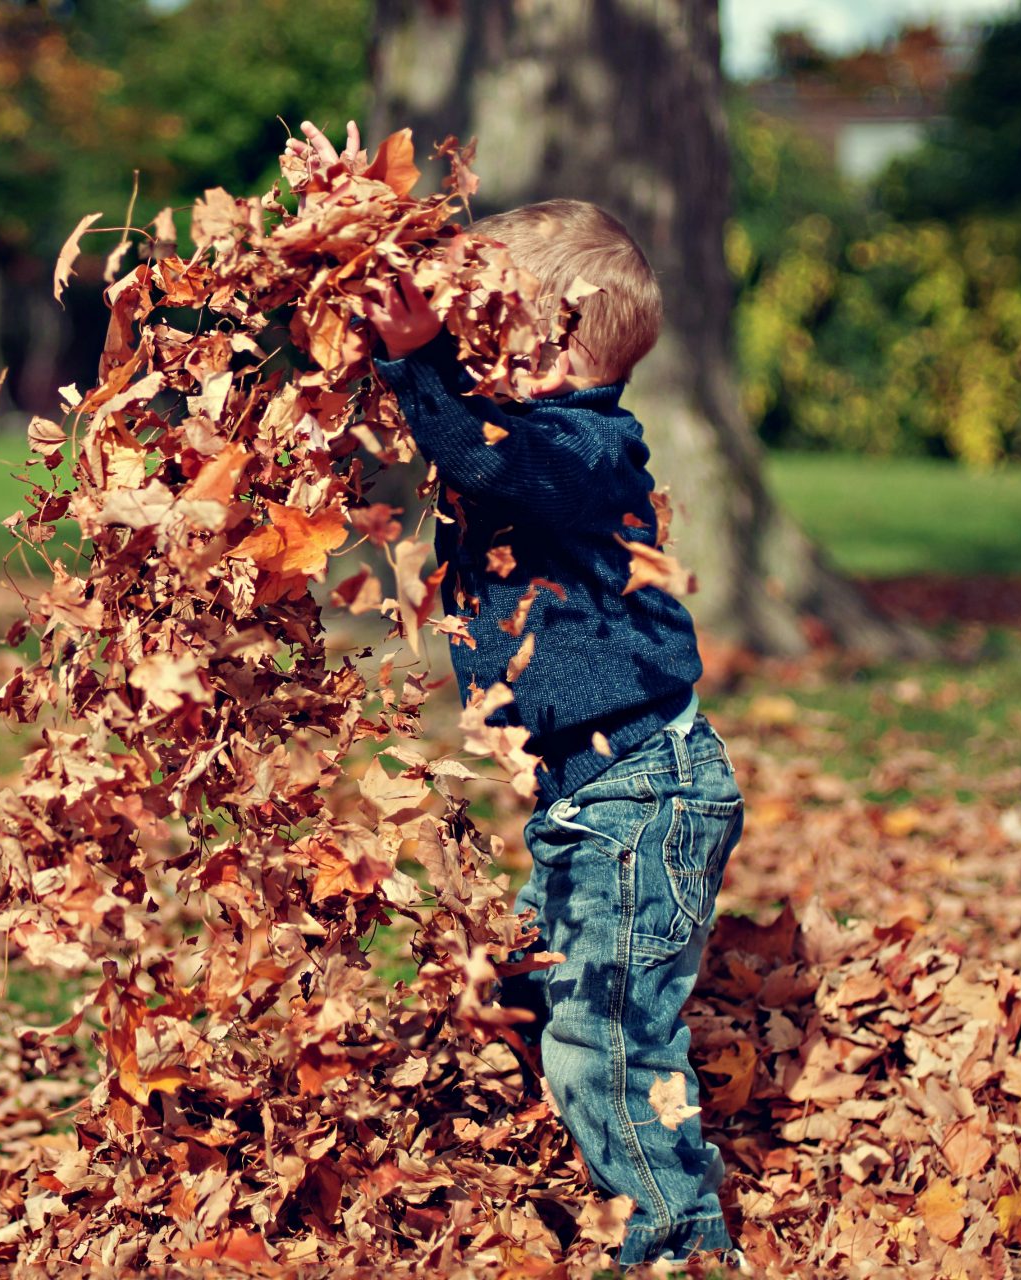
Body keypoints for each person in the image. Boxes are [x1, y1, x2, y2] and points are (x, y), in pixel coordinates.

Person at [298, 120, 747, 1265]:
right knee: (542, 991)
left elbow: (484, 454)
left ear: (544, 348)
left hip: (644, 792)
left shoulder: (583, 448)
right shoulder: (532, 437)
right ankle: (575, 1166)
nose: (461, 341)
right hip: (592, 795)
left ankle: (679, 1244)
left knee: (605, 1033)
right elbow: (463, 445)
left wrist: (417, 362)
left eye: (481, 321)